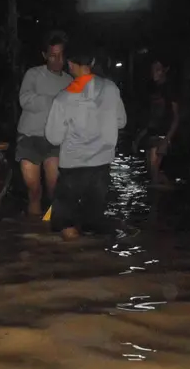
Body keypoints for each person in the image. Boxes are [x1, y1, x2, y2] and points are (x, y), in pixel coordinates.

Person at [45, 45, 127, 241]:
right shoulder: (111, 88)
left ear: (70, 65)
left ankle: (70, 262)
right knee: (93, 223)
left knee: (67, 224)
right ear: (91, 63)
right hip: (101, 165)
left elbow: (53, 137)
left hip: (73, 166)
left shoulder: (64, 97)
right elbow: (121, 121)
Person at [16, 31, 73, 216]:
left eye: (61, 55)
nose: (57, 60)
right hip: (29, 138)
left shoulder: (70, 81)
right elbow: (25, 100)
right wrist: (56, 100)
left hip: (55, 142)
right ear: (45, 55)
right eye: (53, 55)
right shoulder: (33, 74)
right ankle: (34, 236)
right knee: (34, 192)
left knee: (54, 190)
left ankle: (52, 233)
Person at [143, 57, 181, 189]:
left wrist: (166, 140)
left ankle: (158, 205)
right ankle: (170, 188)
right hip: (153, 134)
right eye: (153, 69)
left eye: (158, 69)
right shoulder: (152, 89)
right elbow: (152, 116)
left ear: (165, 70)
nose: (154, 72)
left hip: (163, 135)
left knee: (154, 173)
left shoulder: (170, 89)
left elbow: (176, 117)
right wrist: (140, 136)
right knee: (152, 172)